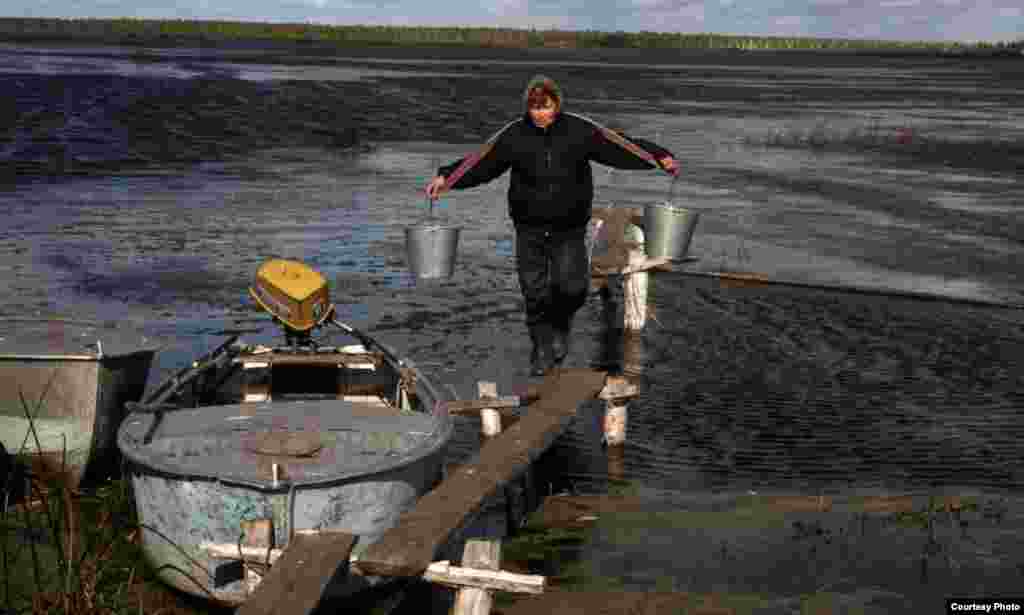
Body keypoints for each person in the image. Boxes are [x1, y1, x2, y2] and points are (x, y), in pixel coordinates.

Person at [425, 74, 678, 377]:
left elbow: (620, 147)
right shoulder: (513, 135)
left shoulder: (580, 130)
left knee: (572, 288)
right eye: (534, 107)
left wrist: (658, 156)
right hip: (528, 227)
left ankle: (560, 326)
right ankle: (541, 348)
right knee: (533, 292)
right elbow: (481, 163)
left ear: (557, 103)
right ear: (527, 107)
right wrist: (447, 178)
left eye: (545, 106)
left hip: (568, 227)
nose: (540, 113)